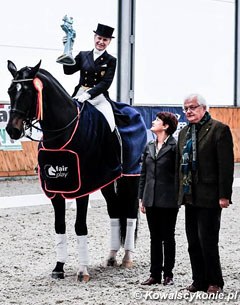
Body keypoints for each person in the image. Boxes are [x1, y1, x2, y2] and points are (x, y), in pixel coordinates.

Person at [176, 94, 234, 294]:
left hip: (210, 196)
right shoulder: (183, 133)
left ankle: (214, 281)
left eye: (192, 107)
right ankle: (198, 280)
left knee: (207, 240)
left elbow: (225, 167)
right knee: (192, 242)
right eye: (185, 108)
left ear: (203, 108)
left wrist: (224, 195)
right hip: (189, 196)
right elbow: (179, 167)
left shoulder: (219, 130)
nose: (188, 111)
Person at [139, 112, 179, 286]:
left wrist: (178, 198)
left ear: (166, 126)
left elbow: (178, 174)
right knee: (154, 238)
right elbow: (144, 174)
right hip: (150, 199)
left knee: (167, 237)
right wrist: (142, 198)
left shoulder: (174, 147)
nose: (153, 122)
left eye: (157, 121)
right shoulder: (149, 146)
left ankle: (168, 274)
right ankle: (154, 274)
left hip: (168, 200)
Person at [62, 23, 116, 132]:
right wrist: (67, 51)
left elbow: (106, 83)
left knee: (111, 124)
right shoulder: (83, 55)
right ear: (94, 37)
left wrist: (89, 94)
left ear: (109, 41)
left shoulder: (111, 60)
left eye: (105, 40)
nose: (101, 42)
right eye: (99, 38)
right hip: (80, 93)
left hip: (99, 96)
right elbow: (68, 71)